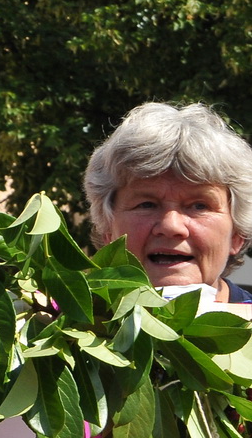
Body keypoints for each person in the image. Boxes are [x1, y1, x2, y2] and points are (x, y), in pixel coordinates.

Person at [83, 102, 252, 305]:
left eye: (200, 206)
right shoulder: (55, 329)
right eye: (146, 205)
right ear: (108, 231)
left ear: (237, 235)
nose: (171, 226)